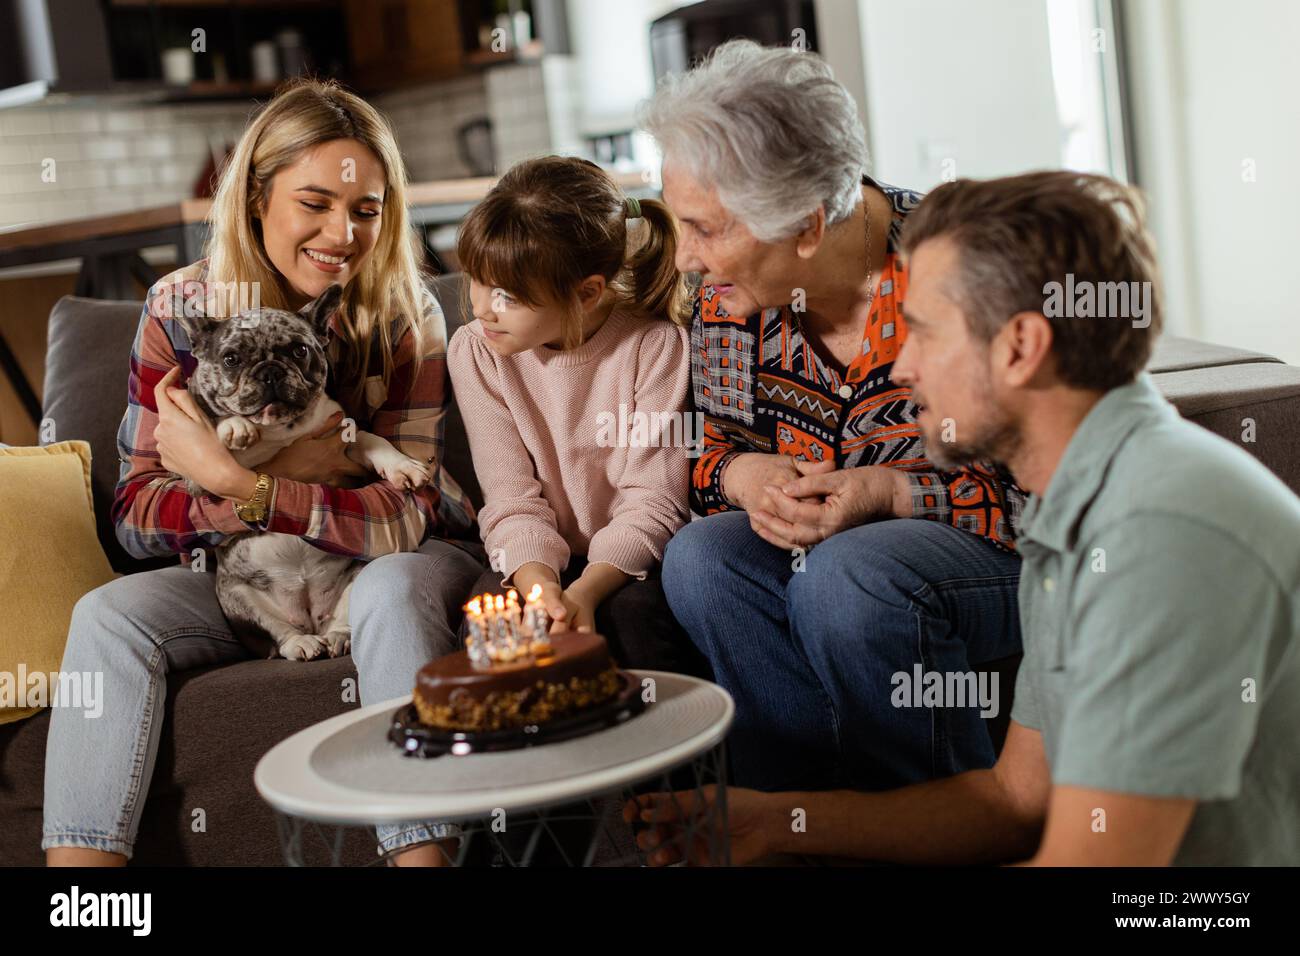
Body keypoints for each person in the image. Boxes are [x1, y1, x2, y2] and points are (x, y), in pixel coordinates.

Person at [628, 170, 1300, 866]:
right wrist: (777, 822)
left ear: (1019, 346)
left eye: (921, 331)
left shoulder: (1159, 537)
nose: (899, 368)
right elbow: (1013, 803)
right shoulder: (1077, 508)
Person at [43, 79, 483, 867]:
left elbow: (411, 513)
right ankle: (80, 897)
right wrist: (252, 492)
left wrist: (247, 482)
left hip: (376, 564)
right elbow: (139, 519)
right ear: (254, 197)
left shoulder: (403, 310)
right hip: (241, 577)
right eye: (314, 202)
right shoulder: (180, 308)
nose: (341, 232)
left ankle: (420, 860)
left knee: (386, 589)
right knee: (106, 615)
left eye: (365, 210)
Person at [641, 39, 1025, 792]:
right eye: (677, 222)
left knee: (847, 574)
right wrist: (744, 474)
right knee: (703, 560)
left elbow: (1054, 499)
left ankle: (936, 828)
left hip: (1012, 559)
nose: (684, 258)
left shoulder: (971, 268)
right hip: (847, 567)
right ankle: (797, 821)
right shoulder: (728, 300)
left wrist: (891, 495)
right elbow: (709, 451)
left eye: (707, 229)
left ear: (809, 226)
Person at [448, 156, 708, 676]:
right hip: (535, 556)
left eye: (508, 296)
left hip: (632, 561)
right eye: (477, 281)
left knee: (632, 622)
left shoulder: (655, 346)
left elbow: (654, 501)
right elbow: (510, 498)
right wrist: (544, 590)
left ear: (587, 292)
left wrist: (586, 592)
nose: (482, 307)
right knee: (493, 629)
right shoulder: (476, 351)